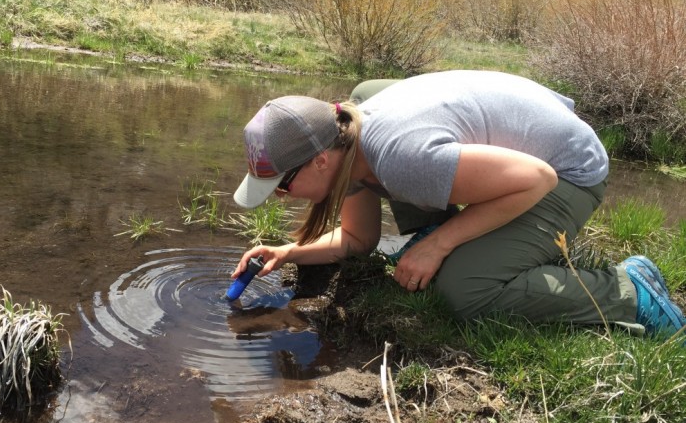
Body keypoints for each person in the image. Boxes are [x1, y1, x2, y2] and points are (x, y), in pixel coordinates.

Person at [230, 70, 685, 339]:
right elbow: (358, 238)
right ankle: (455, 239)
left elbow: (537, 178)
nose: (281, 197)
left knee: (464, 290)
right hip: (513, 151)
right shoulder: (346, 133)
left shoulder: (403, 159)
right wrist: (288, 252)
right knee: (436, 235)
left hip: (565, 173)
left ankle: (628, 292)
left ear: (320, 161)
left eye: (282, 186)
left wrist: (439, 244)